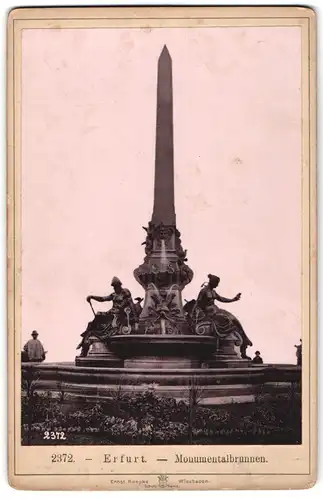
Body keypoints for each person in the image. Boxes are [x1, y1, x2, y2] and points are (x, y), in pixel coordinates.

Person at [193, 274, 252, 357]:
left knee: (235, 319)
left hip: (216, 310)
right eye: (217, 283)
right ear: (212, 282)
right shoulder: (204, 291)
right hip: (210, 313)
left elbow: (221, 299)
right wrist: (195, 313)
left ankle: (244, 343)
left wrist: (233, 299)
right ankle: (227, 343)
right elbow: (198, 303)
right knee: (227, 319)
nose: (217, 285)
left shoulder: (212, 291)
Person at [77, 277, 138, 356]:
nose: (115, 288)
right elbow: (103, 299)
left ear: (119, 285)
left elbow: (132, 305)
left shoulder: (125, 293)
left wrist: (136, 320)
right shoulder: (113, 294)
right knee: (95, 318)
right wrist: (92, 297)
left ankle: (83, 343)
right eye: (114, 287)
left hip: (118, 317)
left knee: (96, 325)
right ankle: (83, 343)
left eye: (116, 286)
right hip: (111, 314)